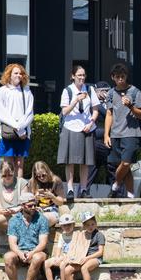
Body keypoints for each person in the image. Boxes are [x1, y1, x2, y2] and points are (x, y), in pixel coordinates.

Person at [103, 63, 141, 199]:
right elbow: (109, 114)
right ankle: (131, 195)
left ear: (126, 76)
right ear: (113, 77)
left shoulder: (135, 92)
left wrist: (131, 106)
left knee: (126, 163)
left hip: (132, 133)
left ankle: (115, 184)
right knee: (124, 168)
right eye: (117, 77)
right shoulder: (110, 93)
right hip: (115, 134)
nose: (120, 79)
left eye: (123, 76)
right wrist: (106, 135)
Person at [57, 65, 98, 202]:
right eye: (79, 75)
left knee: (85, 161)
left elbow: (96, 110)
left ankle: (84, 188)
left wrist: (91, 122)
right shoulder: (67, 91)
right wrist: (76, 100)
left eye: (83, 75)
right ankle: (70, 189)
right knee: (70, 161)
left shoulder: (90, 90)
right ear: (73, 76)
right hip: (71, 127)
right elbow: (64, 112)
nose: (81, 78)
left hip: (86, 128)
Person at [2, 198, 50, 280]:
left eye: (34, 205)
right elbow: (12, 243)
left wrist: (32, 253)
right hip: (20, 251)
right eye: (30, 206)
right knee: (7, 257)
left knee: (37, 258)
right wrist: (19, 253)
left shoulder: (42, 219)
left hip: (36, 251)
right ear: (23, 206)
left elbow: (43, 243)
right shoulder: (14, 220)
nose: (33, 208)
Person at [0, 63, 34, 179]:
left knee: (19, 164)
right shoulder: (2, 91)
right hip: (8, 132)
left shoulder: (27, 92)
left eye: (21, 73)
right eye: (15, 73)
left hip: (23, 132)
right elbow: (1, 113)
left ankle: (19, 191)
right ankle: (7, 190)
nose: (19, 75)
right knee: (7, 163)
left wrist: (21, 128)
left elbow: (29, 113)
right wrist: (16, 127)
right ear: (9, 75)